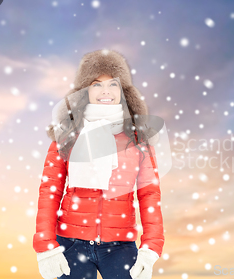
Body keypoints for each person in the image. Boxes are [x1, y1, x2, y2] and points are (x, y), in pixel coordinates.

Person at [33, 49, 164, 279]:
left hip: (120, 246)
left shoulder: (137, 139)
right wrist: (45, 247)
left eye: (113, 84)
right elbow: (50, 190)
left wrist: (150, 248)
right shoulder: (68, 134)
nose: (105, 91)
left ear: (123, 92)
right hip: (70, 244)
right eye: (96, 84)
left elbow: (149, 194)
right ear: (85, 91)